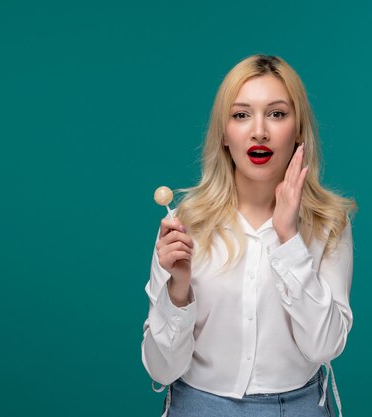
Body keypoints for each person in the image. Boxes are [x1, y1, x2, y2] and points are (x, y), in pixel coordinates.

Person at [141, 54, 356, 417]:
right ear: (224, 133)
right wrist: (177, 290)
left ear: (299, 129)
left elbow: (324, 348)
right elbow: (161, 370)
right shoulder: (184, 223)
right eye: (241, 115)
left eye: (276, 113)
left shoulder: (328, 223)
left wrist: (289, 238)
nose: (259, 131)